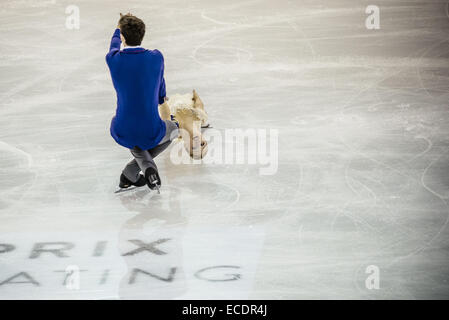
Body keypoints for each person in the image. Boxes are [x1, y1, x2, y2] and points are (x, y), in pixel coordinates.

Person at [106, 13, 178, 192]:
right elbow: (161, 89)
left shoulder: (113, 59)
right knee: (174, 129)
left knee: (134, 138)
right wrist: (162, 103)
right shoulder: (156, 57)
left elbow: (113, 45)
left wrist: (117, 28)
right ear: (142, 34)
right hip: (150, 129)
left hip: (122, 129)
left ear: (122, 37)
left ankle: (138, 171)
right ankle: (137, 170)